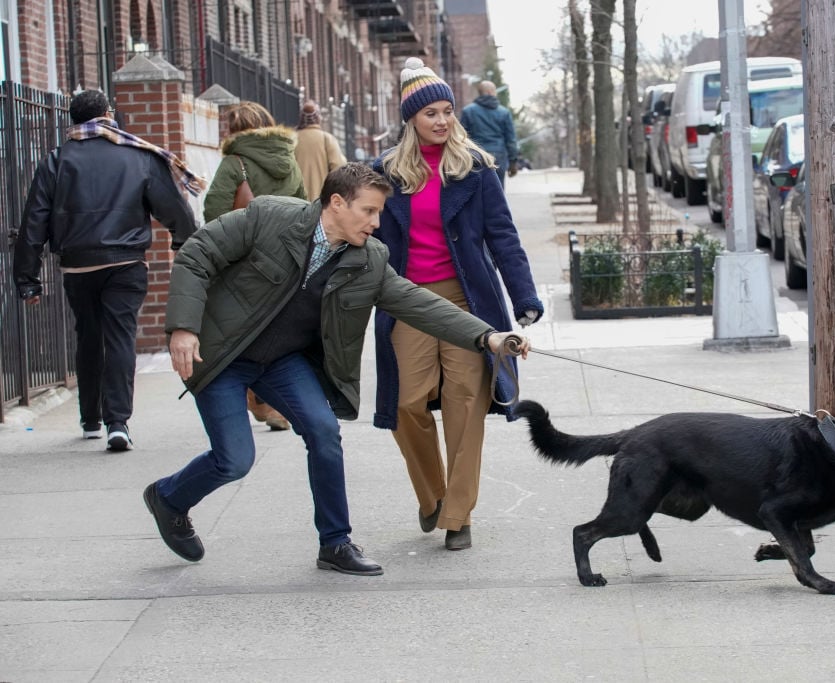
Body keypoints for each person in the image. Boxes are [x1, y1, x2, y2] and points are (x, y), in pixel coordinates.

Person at [144, 163, 530, 575]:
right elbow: (198, 253)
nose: (376, 223)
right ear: (336, 203)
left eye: (379, 212)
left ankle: (335, 543)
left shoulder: (369, 261)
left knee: (324, 431)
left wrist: (487, 337)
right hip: (224, 355)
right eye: (368, 211)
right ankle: (168, 499)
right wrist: (183, 328)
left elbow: (420, 304)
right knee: (234, 459)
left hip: (282, 362)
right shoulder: (270, 217)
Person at [372, 58, 543, 551]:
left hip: (467, 301)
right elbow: (366, 240)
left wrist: (524, 297)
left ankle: (458, 514)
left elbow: (503, 238)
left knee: (465, 403)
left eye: (448, 111)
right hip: (407, 302)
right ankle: (433, 496)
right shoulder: (385, 173)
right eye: (432, 114)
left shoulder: (476, 168)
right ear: (411, 120)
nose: (443, 121)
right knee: (406, 403)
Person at [13, 89, 201, 451]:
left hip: (77, 266)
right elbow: (174, 207)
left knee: (88, 336)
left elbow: (33, 222)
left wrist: (28, 281)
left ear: (74, 120)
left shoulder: (56, 160)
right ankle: (118, 422)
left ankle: (90, 419)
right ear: (108, 114)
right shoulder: (137, 155)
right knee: (119, 337)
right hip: (126, 263)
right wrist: (184, 242)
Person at [204, 100, 306, 431]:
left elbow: (214, 210)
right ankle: (273, 403)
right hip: (284, 260)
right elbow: (304, 206)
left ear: (235, 131)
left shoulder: (235, 163)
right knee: (274, 331)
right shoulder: (289, 160)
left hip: (243, 262)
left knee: (240, 333)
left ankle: (255, 400)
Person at [459, 79, 520, 187]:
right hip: (498, 156)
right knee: (498, 190)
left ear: (480, 93)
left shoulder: (468, 111)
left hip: (476, 155)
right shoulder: (504, 113)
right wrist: (513, 162)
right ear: (492, 92)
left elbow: (462, 137)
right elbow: (510, 139)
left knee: (478, 191)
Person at [294, 99, 346, 199]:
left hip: (296, 201)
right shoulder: (326, 139)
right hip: (321, 199)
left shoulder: (292, 139)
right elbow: (339, 167)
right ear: (318, 118)